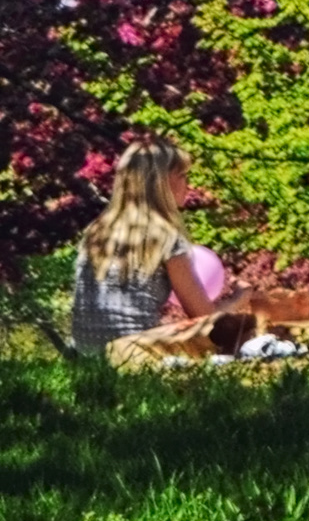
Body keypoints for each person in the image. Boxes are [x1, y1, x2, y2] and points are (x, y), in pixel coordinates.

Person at [68, 140, 219, 358]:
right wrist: (241, 299)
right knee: (230, 335)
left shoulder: (95, 233)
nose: (189, 184)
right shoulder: (167, 238)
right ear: (161, 183)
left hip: (86, 355)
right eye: (183, 175)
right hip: (137, 355)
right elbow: (206, 318)